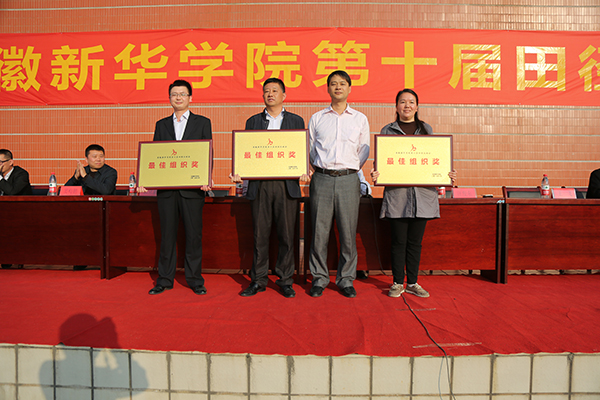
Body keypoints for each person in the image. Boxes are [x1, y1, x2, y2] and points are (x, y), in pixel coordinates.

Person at [371, 89, 457, 298]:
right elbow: (382, 159)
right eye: (403, 102)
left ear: (417, 107)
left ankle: (412, 282)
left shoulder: (426, 129)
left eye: (411, 102)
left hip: (422, 196)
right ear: (396, 106)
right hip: (398, 196)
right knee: (398, 241)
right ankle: (397, 282)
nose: (407, 106)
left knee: (415, 243)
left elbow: (435, 158)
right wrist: (377, 172)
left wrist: (447, 174)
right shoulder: (387, 130)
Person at [230, 77, 307, 298]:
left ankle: (285, 280)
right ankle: (258, 280)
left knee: (287, 235)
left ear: (284, 95)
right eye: (266, 91)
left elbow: (300, 151)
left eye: (275, 90)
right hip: (260, 185)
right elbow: (246, 152)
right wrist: (239, 172)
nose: (270, 94)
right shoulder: (253, 121)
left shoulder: (296, 120)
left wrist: (303, 169)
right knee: (260, 235)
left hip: (286, 185)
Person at [141, 79, 212, 296]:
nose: (178, 97)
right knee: (167, 236)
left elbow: (207, 152)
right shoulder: (161, 125)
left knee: (193, 236)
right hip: (168, 191)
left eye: (182, 94)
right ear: (169, 98)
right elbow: (155, 155)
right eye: (174, 94)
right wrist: (146, 179)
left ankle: (195, 280)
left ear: (190, 98)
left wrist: (206, 177)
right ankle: (164, 279)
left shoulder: (202, 122)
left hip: (193, 190)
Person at [307, 70, 370, 298]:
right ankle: (319, 278)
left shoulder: (360, 119)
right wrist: (322, 169)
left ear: (349, 88)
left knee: (348, 231)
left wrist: (349, 169)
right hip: (322, 178)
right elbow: (311, 150)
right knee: (319, 232)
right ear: (328, 89)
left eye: (342, 84)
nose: (338, 87)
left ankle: (346, 279)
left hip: (348, 179)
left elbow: (363, 151)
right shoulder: (317, 118)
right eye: (333, 84)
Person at [1, 149, 31, 269]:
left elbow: (12, 192)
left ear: (10, 162)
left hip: (20, 212)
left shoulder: (21, 174)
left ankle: (8, 258)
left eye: (1, 162)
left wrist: (0, 179)